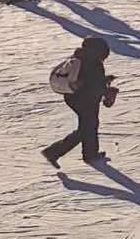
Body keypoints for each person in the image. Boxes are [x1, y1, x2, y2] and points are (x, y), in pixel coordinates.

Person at [42, 34, 115, 167]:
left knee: (89, 125)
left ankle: (90, 154)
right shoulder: (93, 62)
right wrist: (106, 90)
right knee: (87, 128)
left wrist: (104, 81)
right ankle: (53, 152)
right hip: (85, 99)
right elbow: (92, 85)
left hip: (72, 97)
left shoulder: (79, 58)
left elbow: (86, 80)